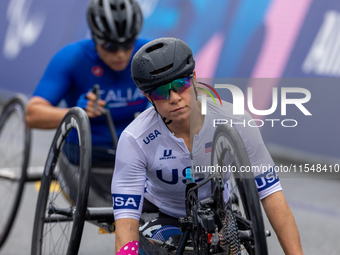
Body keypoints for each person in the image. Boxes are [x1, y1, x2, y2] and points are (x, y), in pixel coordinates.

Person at [111, 37, 304, 254]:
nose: (174, 97)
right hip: (162, 212)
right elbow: (126, 222)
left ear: (193, 78)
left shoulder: (237, 120)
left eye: (180, 84)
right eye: (160, 91)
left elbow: (271, 194)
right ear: (148, 96)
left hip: (219, 209)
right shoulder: (135, 139)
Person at [26, 0, 150, 206]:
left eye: (127, 45)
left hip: (132, 159)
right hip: (84, 159)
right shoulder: (72, 57)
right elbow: (32, 115)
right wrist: (78, 113)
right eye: (110, 46)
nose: (120, 54)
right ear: (95, 39)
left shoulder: (149, 54)